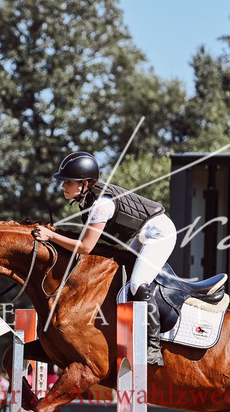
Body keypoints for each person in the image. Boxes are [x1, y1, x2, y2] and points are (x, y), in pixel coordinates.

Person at [31, 151, 176, 365]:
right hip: (143, 235)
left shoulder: (101, 205)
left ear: (84, 183)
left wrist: (51, 236)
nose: (63, 186)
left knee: (138, 283)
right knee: (122, 275)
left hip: (160, 233)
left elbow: (85, 247)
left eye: (68, 182)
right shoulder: (87, 200)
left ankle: (153, 347)